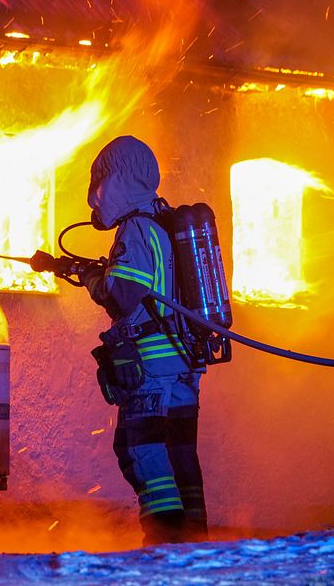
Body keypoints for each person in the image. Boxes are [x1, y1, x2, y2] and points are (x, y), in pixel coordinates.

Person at [81, 135, 208, 545]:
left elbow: (123, 294)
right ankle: (193, 540)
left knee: (142, 449)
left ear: (117, 180)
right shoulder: (164, 220)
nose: (93, 200)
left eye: (98, 185)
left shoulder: (135, 229)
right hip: (184, 363)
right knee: (179, 452)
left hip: (153, 367)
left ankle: (164, 542)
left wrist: (90, 278)